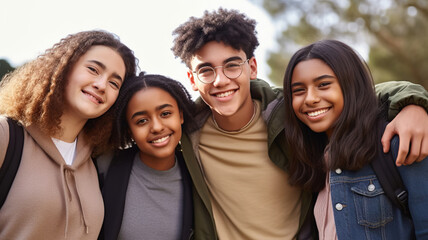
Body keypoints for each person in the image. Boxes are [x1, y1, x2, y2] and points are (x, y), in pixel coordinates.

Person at [171, 8, 428, 239]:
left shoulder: (285, 116)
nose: (220, 80)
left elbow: (361, 92)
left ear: (252, 67)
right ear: (192, 80)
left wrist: (412, 103)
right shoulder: (184, 133)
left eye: (232, 65)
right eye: (206, 70)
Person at [282, 39, 428, 239]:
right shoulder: (313, 159)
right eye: (298, 90)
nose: (310, 98)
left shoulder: (397, 142)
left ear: (350, 85)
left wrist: (415, 105)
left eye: (323, 85)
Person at [0, 30, 137, 239]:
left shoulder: (97, 161)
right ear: (64, 67)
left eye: (114, 83)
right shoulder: (6, 135)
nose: (101, 85)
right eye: (93, 69)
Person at [97, 73, 195, 240]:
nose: (156, 127)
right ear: (129, 130)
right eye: (142, 121)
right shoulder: (105, 165)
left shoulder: (196, 176)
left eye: (165, 113)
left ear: (181, 115)